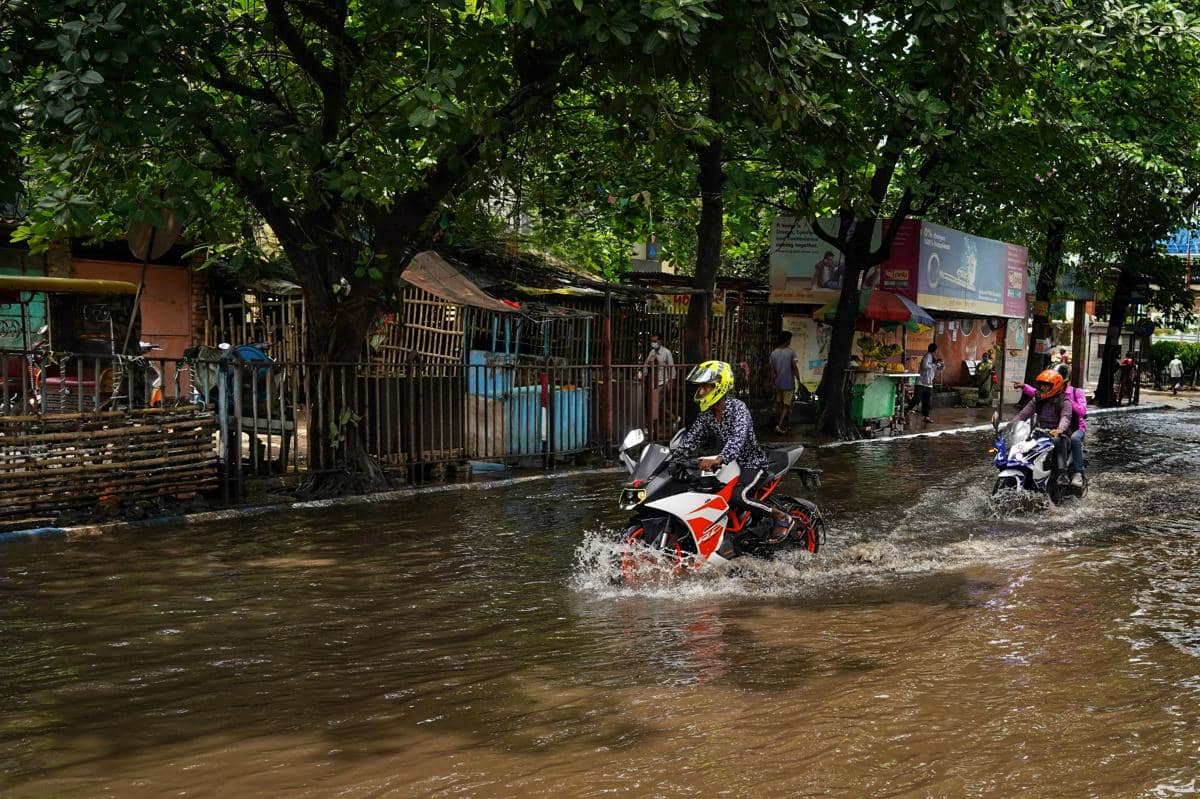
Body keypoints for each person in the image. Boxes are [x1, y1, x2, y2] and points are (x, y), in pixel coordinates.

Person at [680, 360, 796, 544]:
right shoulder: (707, 413)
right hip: (727, 465)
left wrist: (720, 459)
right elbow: (691, 439)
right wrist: (675, 456)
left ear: (720, 386)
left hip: (751, 463)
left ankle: (781, 516)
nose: (701, 392)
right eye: (700, 387)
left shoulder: (738, 408)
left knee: (737, 496)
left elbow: (737, 439)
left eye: (705, 387)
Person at [1015, 363, 1086, 486]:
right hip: (1042, 431)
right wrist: (1010, 426)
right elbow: (1023, 414)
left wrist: (1060, 429)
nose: (1043, 388)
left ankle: (1066, 473)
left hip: (1069, 429)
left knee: (1066, 440)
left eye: (1046, 385)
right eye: (1041, 385)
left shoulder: (1068, 398)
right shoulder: (1038, 399)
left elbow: (1068, 417)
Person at [639, 334, 675, 439]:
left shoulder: (666, 353)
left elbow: (672, 369)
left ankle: (653, 429)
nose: (653, 343)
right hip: (652, 383)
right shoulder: (652, 352)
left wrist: (670, 382)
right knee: (657, 405)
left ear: (660, 341)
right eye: (652, 341)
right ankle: (674, 418)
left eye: (655, 341)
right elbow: (646, 365)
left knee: (654, 405)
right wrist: (642, 374)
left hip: (662, 382)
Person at [769, 331, 801, 434]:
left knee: (780, 405)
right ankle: (779, 425)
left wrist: (773, 383)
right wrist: (798, 379)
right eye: (790, 339)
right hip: (788, 384)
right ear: (787, 340)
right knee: (786, 406)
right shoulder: (791, 353)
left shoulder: (773, 353)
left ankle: (785, 425)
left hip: (778, 383)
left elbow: (772, 371)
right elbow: (794, 368)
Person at [905, 343, 942, 422]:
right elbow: (925, 366)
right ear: (935, 350)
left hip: (929, 383)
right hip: (921, 382)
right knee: (917, 398)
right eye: (936, 350)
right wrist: (934, 365)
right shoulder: (927, 356)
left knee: (927, 401)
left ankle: (926, 416)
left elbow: (939, 368)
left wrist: (939, 365)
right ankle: (907, 410)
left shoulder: (933, 358)